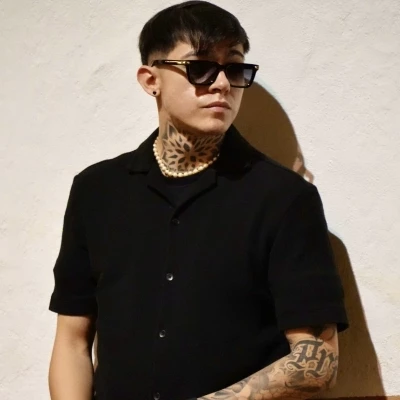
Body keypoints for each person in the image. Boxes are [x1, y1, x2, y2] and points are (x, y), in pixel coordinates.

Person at [48, 1, 349, 400]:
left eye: (235, 69)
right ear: (150, 79)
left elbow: (317, 362)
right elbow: (72, 341)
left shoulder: (284, 198)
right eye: (200, 67)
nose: (222, 84)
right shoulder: (96, 190)